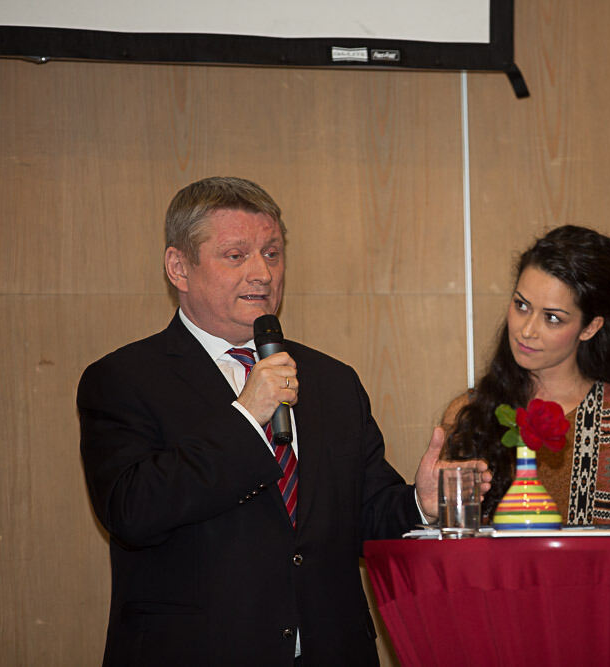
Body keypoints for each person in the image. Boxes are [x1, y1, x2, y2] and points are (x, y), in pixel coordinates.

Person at [78, 176, 485, 666]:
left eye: (272, 253)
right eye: (236, 255)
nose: (262, 274)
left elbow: (365, 517)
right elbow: (132, 511)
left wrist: (420, 505)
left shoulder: (333, 381)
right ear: (178, 267)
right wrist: (248, 415)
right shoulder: (124, 379)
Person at [442, 225, 610, 529]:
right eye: (521, 306)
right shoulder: (467, 414)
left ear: (590, 328)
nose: (527, 330)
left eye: (552, 318)